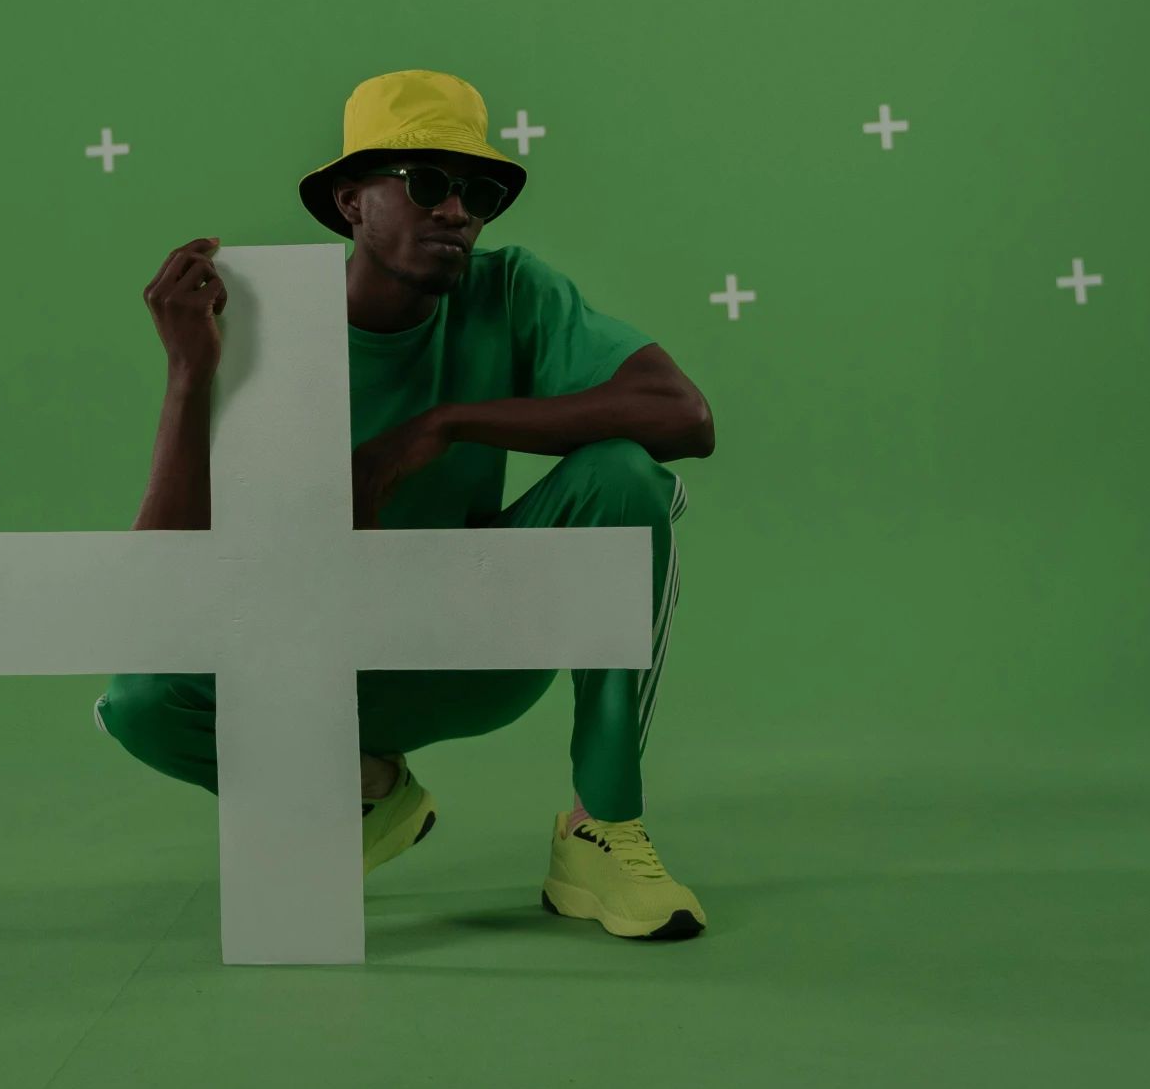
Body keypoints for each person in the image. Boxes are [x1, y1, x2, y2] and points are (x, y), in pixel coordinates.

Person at [95, 69, 716, 940]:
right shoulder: (260, 324)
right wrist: (190, 372)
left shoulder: (511, 292)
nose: (457, 209)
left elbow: (684, 415)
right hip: (320, 670)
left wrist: (448, 422)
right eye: (427, 182)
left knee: (626, 472)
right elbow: (162, 590)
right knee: (142, 699)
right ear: (352, 200)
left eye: (480, 190)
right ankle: (366, 791)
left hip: (475, 643)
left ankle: (600, 828)